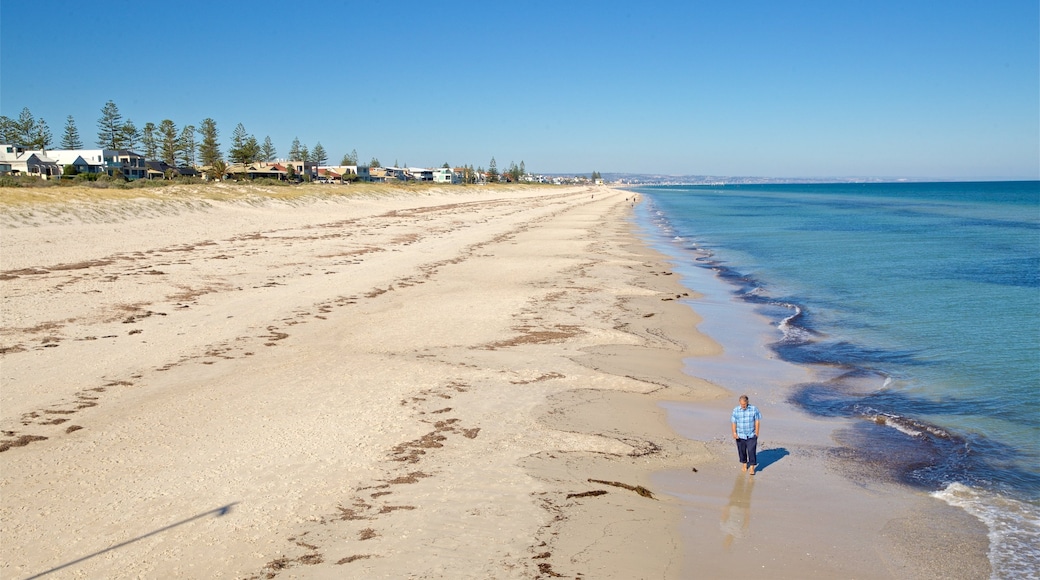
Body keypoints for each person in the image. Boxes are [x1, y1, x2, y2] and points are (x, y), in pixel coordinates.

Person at [731, 395, 761, 474]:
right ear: (739, 403)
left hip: (751, 434)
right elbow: (734, 422)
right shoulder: (736, 410)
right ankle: (744, 464)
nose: (743, 406)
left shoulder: (754, 409)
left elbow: (757, 421)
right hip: (740, 435)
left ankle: (752, 467)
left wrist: (757, 433)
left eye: (744, 404)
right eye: (741, 404)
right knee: (742, 451)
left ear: (747, 402)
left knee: (751, 450)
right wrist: (734, 432)